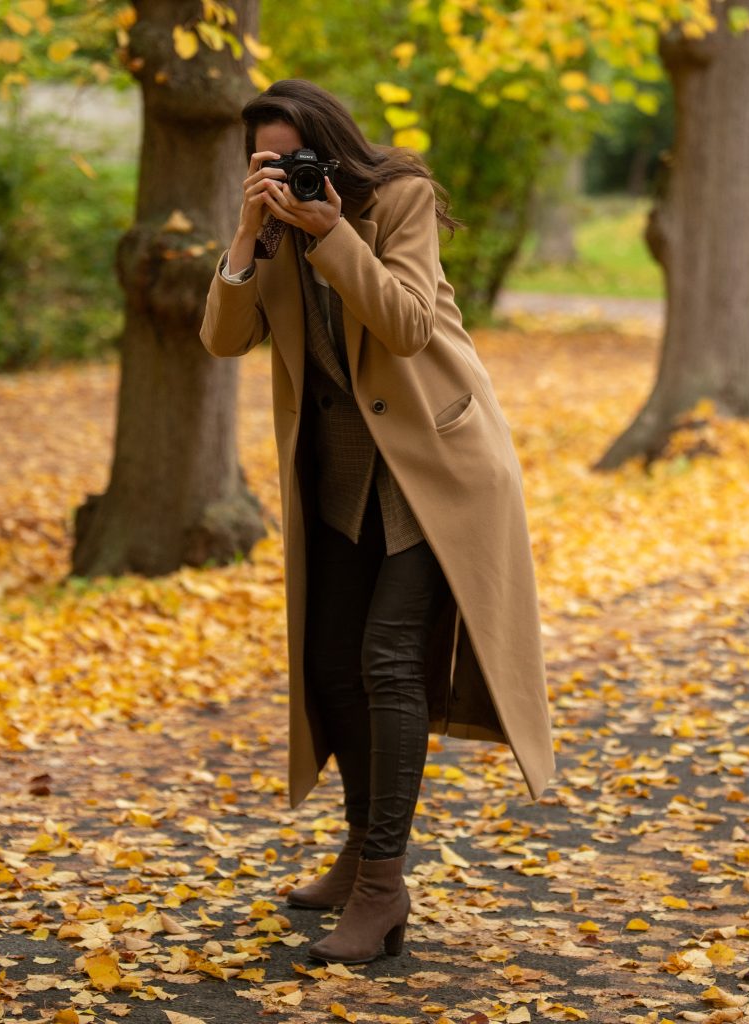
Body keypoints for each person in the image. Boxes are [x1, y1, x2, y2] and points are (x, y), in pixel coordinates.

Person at [200, 79, 554, 966]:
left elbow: (400, 322)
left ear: (331, 143)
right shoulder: (274, 226)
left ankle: (383, 886)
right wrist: (249, 234)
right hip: (344, 475)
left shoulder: (398, 200)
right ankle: (361, 845)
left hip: (437, 467)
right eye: (267, 163)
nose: (286, 173)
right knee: (331, 665)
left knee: (390, 658)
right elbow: (220, 339)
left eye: (296, 156)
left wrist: (333, 231)